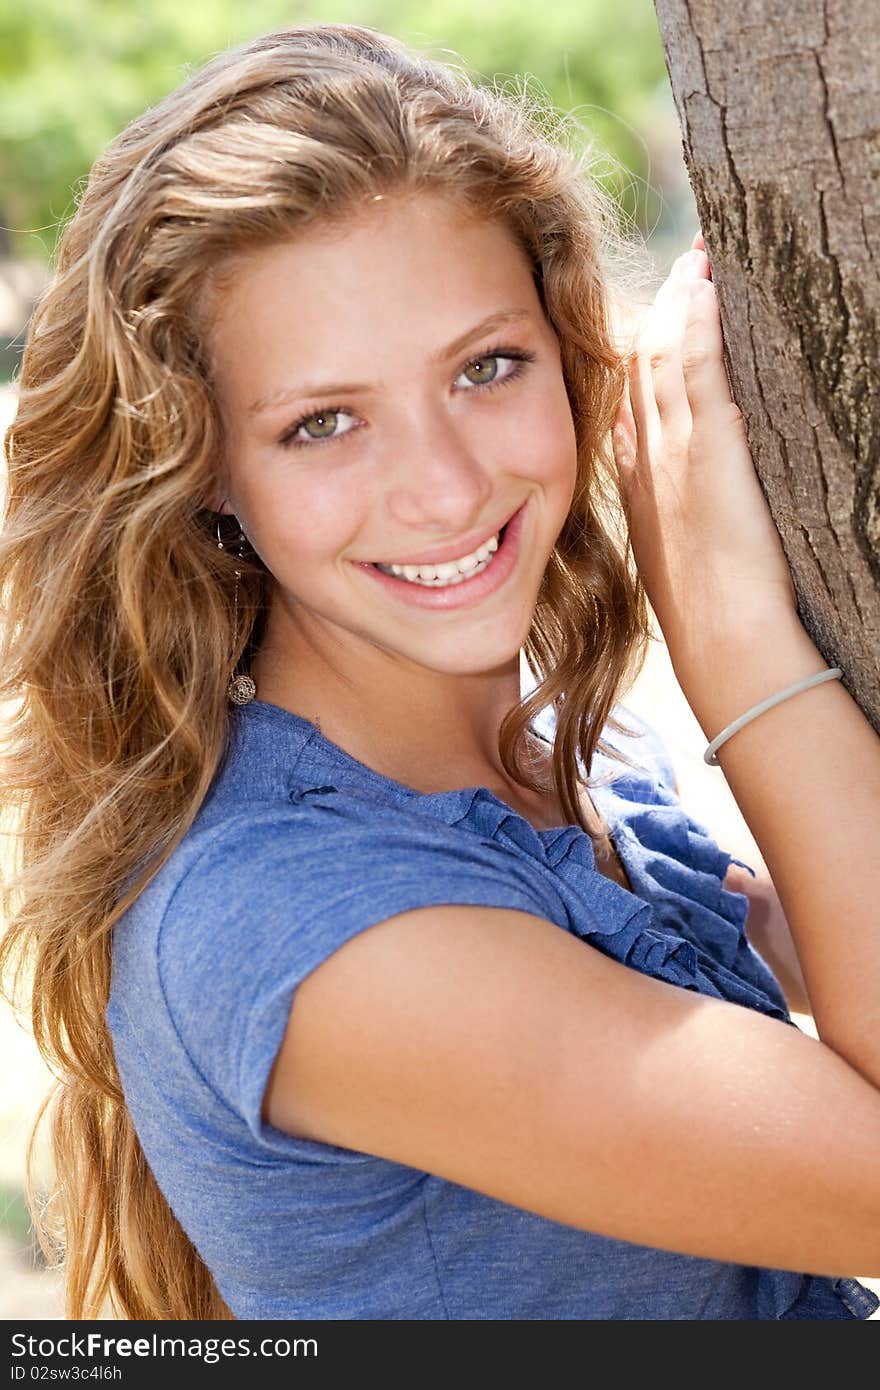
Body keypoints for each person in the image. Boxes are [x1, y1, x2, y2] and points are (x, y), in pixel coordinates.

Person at [1, 22, 878, 1323]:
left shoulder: (543, 761)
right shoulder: (311, 925)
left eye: (487, 366)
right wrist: (744, 651)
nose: (449, 487)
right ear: (205, 468)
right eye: (323, 422)